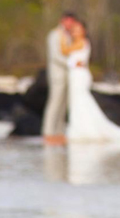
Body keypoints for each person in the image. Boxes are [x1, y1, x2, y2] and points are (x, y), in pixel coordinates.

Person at [61, 21, 120, 142]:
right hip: (75, 76)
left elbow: (65, 51)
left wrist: (62, 36)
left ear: (84, 31)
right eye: (74, 30)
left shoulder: (82, 42)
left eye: (77, 29)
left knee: (81, 101)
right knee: (77, 103)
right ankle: (79, 129)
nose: (75, 32)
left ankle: (86, 130)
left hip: (80, 76)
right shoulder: (76, 42)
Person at [42, 12, 77, 146]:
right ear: (62, 21)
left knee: (63, 105)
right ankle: (48, 132)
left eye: (71, 21)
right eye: (68, 21)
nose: (70, 24)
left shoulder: (71, 35)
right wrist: (71, 63)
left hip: (69, 75)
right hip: (57, 74)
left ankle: (59, 132)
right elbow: (55, 56)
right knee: (54, 103)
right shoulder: (54, 34)